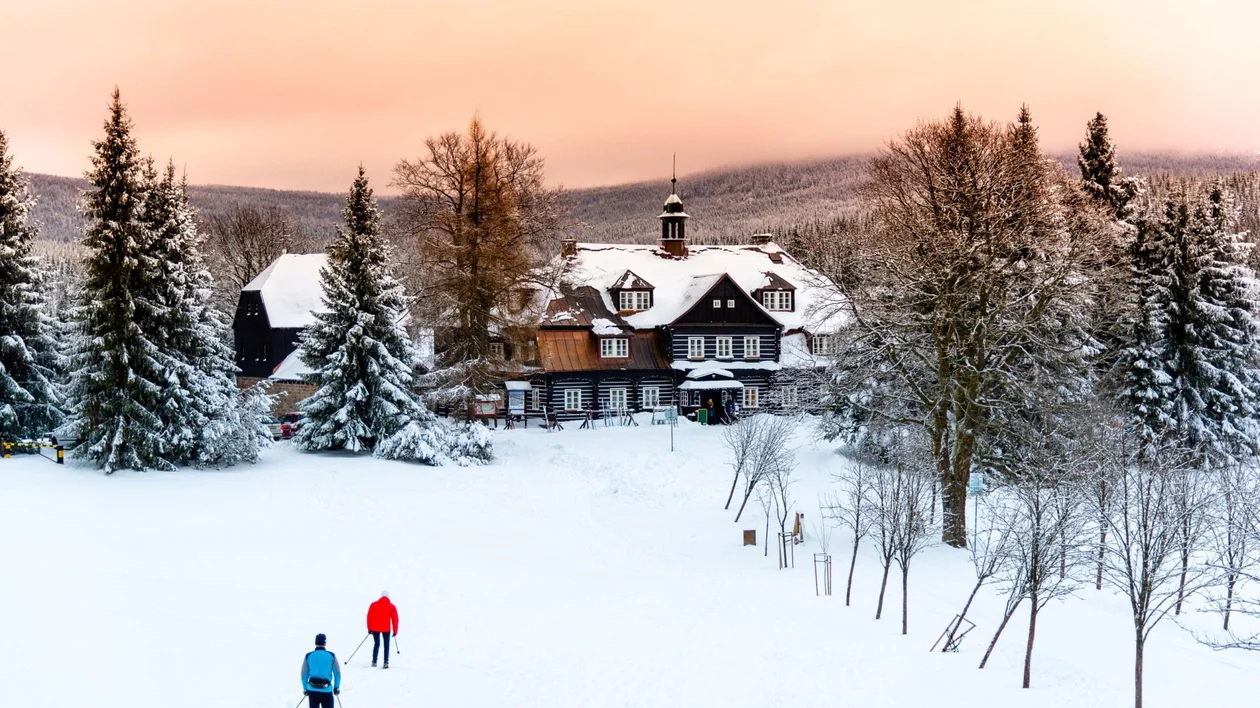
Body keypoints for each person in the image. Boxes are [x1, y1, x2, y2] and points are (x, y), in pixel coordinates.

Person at [301, 633, 341, 708]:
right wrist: (336, 687)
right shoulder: (331, 656)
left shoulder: (308, 656)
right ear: (325, 643)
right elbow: (337, 674)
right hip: (326, 691)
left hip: (312, 690)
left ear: (315, 643)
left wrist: (305, 688)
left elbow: (304, 674)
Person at [366, 591, 399, 668]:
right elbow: (395, 619)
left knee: (376, 644)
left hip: (375, 628)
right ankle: (386, 662)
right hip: (386, 628)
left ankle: (374, 662)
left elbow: (369, 616)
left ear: (381, 596)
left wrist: (369, 628)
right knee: (386, 645)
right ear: (388, 597)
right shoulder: (391, 606)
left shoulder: (373, 605)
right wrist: (395, 631)